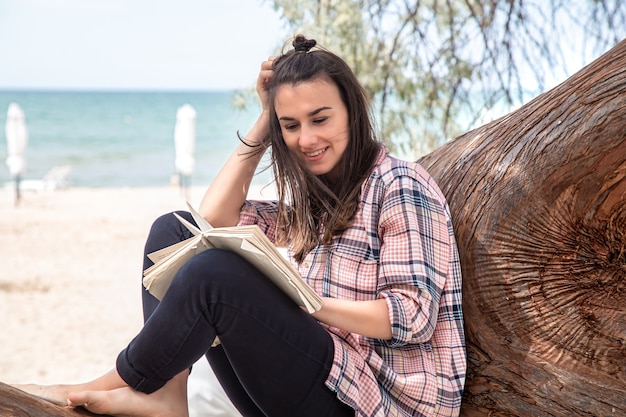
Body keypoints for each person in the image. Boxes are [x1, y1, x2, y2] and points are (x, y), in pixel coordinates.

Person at [17, 35, 466, 417]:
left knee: (213, 275)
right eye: (290, 125)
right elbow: (209, 221)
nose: (306, 140)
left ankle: (113, 379)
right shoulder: (315, 201)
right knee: (173, 231)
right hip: (318, 378)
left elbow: (412, 316)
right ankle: (168, 398)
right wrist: (264, 121)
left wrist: (306, 301)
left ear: (351, 109)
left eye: (320, 118)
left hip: (377, 401)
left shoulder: (399, 184)